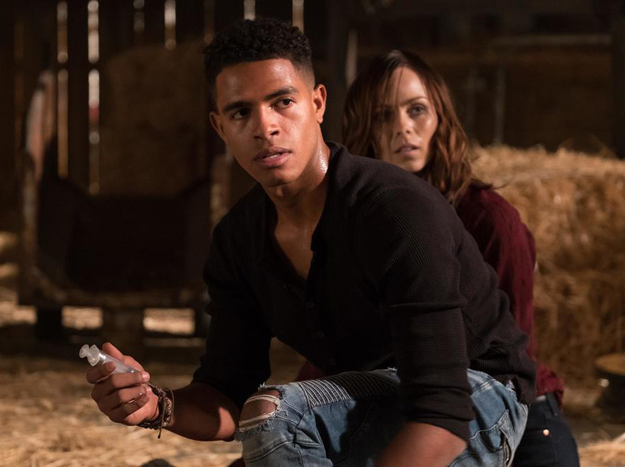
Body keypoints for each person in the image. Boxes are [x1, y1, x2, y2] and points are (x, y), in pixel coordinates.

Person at [86, 18, 536, 466]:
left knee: (278, 413)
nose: (265, 127)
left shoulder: (396, 209)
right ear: (220, 128)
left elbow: (443, 414)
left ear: (318, 103)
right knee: (268, 414)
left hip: (477, 400)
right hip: (371, 400)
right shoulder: (237, 241)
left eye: (283, 102)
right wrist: (156, 406)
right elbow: (226, 393)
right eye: (241, 113)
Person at [339, 50, 579, 466]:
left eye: (417, 110)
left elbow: (510, 356)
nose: (403, 127)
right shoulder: (356, 223)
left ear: (440, 118)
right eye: (382, 116)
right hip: (405, 409)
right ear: (364, 130)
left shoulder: (489, 219)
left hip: (511, 410)